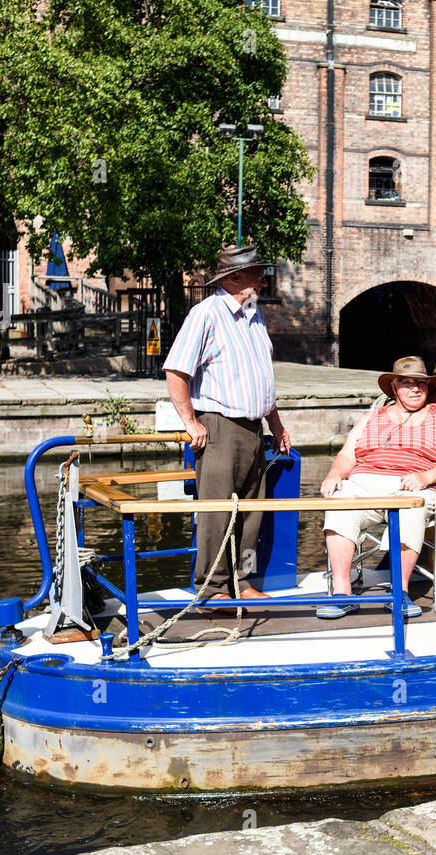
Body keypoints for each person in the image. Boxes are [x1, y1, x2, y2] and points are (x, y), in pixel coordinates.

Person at [163, 245, 292, 602]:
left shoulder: (254, 315)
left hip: (254, 429)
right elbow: (176, 370)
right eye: (257, 274)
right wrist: (190, 421)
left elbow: (261, 378)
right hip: (220, 426)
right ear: (235, 278)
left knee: (252, 513)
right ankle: (213, 588)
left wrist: (276, 425)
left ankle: (244, 583)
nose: (264, 282)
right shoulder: (206, 314)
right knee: (217, 511)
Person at [316, 356, 436, 620]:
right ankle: (342, 594)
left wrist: (427, 475)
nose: (415, 389)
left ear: (429, 387)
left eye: (420, 383)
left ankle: (400, 592)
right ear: (394, 388)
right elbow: (347, 456)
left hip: (416, 484)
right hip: (364, 484)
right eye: (407, 383)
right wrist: (334, 474)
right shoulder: (371, 417)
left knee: (410, 506)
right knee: (339, 501)